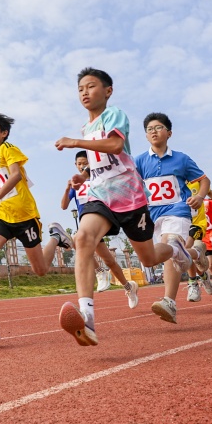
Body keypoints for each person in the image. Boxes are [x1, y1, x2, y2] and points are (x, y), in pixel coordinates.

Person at [54, 68, 192, 345]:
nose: (84, 92)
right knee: (83, 238)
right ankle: (87, 317)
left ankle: (176, 248)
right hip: (99, 193)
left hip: (129, 195)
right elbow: (99, 164)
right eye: (80, 88)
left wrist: (74, 142)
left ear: (107, 91)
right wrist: (84, 176)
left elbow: (116, 145)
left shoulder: (113, 114)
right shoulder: (86, 128)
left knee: (149, 259)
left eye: (91, 86)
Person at [0, 114, 74, 344]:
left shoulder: (8, 149)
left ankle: (55, 237)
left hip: (25, 216)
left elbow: (16, 176)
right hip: (3, 216)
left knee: (40, 270)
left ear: (4, 133)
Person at [134, 112, 209, 322]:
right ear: (146, 136)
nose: (154, 132)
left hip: (178, 210)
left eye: (158, 128)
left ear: (169, 133)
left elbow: (204, 181)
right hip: (152, 214)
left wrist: (200, 197)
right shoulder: (139, 161)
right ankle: (196, 253)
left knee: (169, 244)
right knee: (152, 257)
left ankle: (169, 302)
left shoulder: (182, 159)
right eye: (149, 129)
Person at [61, 150, 139, 308]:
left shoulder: (99, 179)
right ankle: (129, 287)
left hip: (98, 220)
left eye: (85, 163)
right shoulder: (76, 183)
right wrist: (67, 188)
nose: (82, 166)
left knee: (78, 240)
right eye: (79, 164)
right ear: (75, 165)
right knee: (109, 260)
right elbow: (63, 206)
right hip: (86, 224)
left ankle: (100, 272)